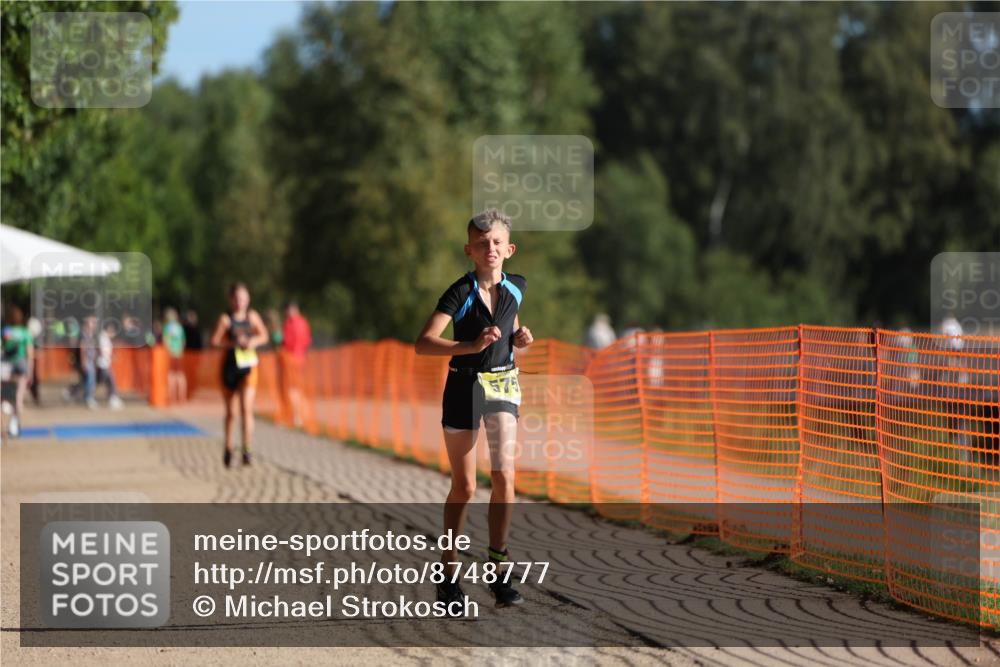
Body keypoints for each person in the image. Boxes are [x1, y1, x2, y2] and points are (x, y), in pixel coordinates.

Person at [415, 208, 533, 613]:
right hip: (463, 384)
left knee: (504, 476)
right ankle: (448, 575)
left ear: (509, 249)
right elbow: (424, 342)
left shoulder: (516, 287)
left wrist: (520, 337)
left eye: (497, 242)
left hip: (502, 382)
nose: (490, 249)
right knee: (464, 487)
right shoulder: (459, 293)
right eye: (482, 243)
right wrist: (470, 346)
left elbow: (511, 322)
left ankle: (498, 568)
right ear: (470, 249)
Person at [210, 282, 268, 468]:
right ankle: (228, 447)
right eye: (236, 299)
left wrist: (252, 341)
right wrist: (233, 344)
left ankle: (247, 449)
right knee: (231, 413)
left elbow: (264, 336)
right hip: (229, 367)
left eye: (243, 299)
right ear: (231, 299)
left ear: (248, 299)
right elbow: (214, 341)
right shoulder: (225, 320)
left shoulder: (253, 317)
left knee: (246, 409)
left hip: (249, 367)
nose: (240, 302)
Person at [2, 305, 34, 437]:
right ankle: (14, 425)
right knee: (18, 398)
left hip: (5, 366)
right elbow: (30, 353)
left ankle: (5, 406)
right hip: (20, 366)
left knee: (3, 396)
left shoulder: (5, 331)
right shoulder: (25, 332)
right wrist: (30, 372)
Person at [282, 300, 312, 428]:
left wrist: (280, 339)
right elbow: (307, 340)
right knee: (297, 389)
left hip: (291, 359)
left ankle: (296, 417)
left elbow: (288, 342)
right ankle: (299, 416)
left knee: (292, 389)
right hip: (301, 359)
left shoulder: (290, 323)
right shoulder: (304, 322)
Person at [96, 321, 123, 409]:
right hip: (103, 364)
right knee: (109, 381)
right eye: (111, 330)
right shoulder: (103, 338)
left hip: (105, 364)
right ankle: (112, 398)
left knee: (108, 382)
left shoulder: (105, 338)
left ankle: (112, 398)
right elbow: (103, 351)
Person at [162, 308, 187, 403]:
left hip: (170, 354)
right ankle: (182, 397)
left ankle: (171, 397)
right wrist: (180, 350)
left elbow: (166, 341)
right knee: (180, 375)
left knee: (171, 375)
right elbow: (183, 341)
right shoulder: (179, 327)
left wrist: (168, 351)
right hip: (179, 353)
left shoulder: (167, 327)